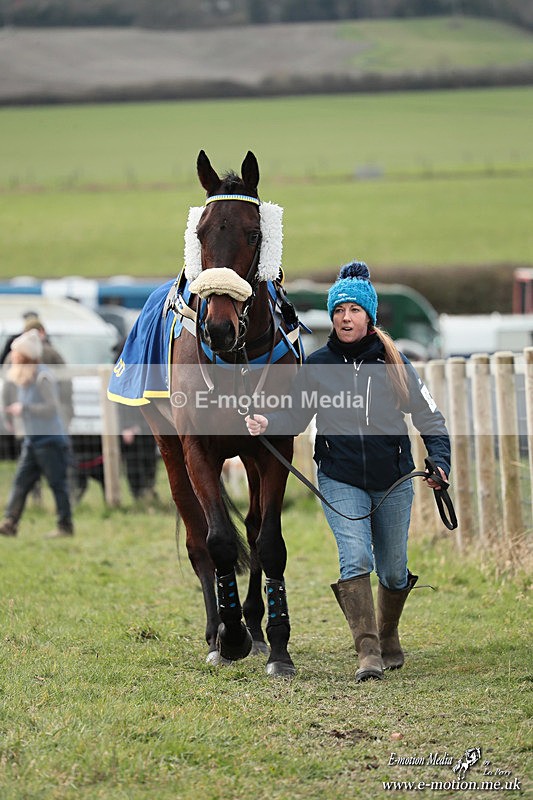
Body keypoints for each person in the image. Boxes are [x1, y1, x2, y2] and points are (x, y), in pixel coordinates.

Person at [246, 261, 450, 682]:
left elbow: (430, 418)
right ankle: (368, 651)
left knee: (393, 570)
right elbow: (296, 417)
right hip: (339, 478)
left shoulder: (395, 363)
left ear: (369, 316)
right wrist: (268, 422)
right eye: (339, 310)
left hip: (394, 479)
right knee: (355, 557)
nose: (345, 317)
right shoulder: (318, 365)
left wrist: (440, 461)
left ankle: (388, 632)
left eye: (354, 310)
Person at [0, 329, 74, 538]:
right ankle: (10, 522)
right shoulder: (26, 376)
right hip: (32, 441)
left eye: (16, 355)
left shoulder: (43, 377)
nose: (12, 358)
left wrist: (23, 409)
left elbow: (51, 408)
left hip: (50, 441)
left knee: (57, 485)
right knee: (20, 483)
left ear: (25, 356)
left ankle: (65, 526)